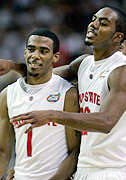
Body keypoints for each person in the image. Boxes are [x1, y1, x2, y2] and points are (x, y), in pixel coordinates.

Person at [1, 6, 126, 180]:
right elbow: (44, 74)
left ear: (117, 37)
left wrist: (52, 115)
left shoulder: (121, 70)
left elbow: (107, 121)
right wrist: (13, 66)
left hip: (110, 169)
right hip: (84, 167)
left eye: (103, 23)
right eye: (94, 19)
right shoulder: (84, 63)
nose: (93, 25)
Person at [0, 29, 80, 180]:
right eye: (31, 49)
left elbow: (75, 151)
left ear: (55, 57)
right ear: (25, 52)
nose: (35, 55)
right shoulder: (7, 94)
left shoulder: (68, 93)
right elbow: (3, 151)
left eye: (43, 51)